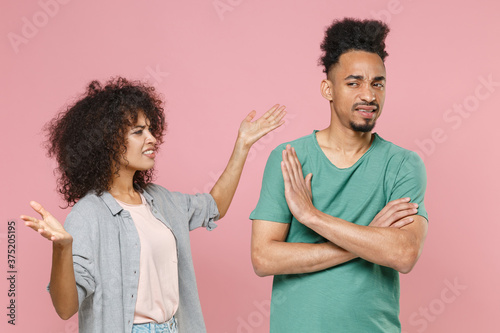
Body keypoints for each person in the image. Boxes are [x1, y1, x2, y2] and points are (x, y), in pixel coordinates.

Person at [21, 77, 286, 333]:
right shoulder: (88, 215)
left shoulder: (160, 200)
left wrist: (243, 145)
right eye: (138, 131)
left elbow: (214, 205)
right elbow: (66, 307)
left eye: (150, 129)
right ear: (108, 142)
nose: (152, 138)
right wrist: (62, 248)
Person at [250, 18, 428, 332]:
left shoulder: (403, 164)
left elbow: (403, 253)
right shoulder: (290, 158)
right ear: (328, 89)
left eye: (377, 83)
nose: (369, 95)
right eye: (354, 83)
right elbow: (264, 257)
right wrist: (367, 239)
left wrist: (312, 216)